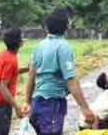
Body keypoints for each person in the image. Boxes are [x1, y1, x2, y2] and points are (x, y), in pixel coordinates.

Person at [23, 7, 96, 135]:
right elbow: (71, 80)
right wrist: (85, 108)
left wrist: (27, 101)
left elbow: (31, 76)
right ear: (66, 28)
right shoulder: (63, 47)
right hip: (52, 103)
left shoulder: (39, 46)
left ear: (47, 28)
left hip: (36, 103)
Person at [0, 28, 29, 135]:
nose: (24, 39)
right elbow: (2, 87)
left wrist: (28, 69)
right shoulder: (11, 60)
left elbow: (9, 74)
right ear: (19, 43)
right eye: (22, 37)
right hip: (1, 107)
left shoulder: (3, 55)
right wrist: (17, 107)